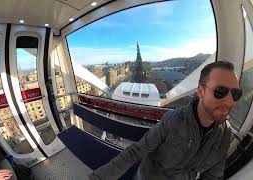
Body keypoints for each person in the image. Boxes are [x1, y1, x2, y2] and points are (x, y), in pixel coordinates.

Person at [89, 61, 242, 180]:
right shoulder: (173, 120)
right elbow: (135, 151)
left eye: (236, 94)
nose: (230, 102)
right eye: (220, 91)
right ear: (201, 91)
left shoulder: (225, 132)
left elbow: (213, 175)